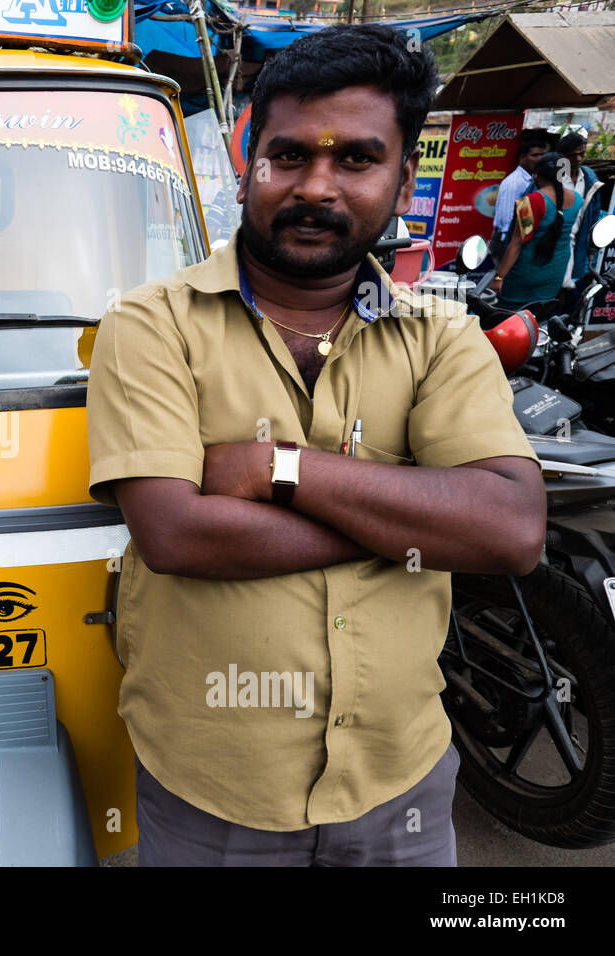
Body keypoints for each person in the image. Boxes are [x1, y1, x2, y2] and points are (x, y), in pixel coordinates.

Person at [87, 24, 545, 866]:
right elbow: (177, 535)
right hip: (215, 788)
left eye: (358, 160)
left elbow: (510, 531)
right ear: (247, 163)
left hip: (397, 785)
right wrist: (410, 515)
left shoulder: (441, 334)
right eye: (289, 156)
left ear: (405, 176)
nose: (317, 186)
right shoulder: (148, 327)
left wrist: (277, 470)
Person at [489, 152, 579, 312]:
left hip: (525, 275)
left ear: (536, 175)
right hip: (555, 272)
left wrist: (499, 277)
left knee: (507, 318)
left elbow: (516, 244)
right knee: (539, 317)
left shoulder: (531, 201)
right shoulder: (577, 199)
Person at [489, 128, 552, 261]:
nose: (539, 159)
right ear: (522, 158)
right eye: (534, 155)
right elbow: (506, 220)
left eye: (542, 155)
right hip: (507, 241)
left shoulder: (535, 180)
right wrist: (512, 250)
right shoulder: (514, 183)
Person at [557, 131, 603, 290]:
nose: (577, 159)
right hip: (556, 243)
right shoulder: (554, 178)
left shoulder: (590, 179)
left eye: (581, 154)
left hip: (580, 242)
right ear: (562, 157)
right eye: (572, 155)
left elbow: (594, 216)